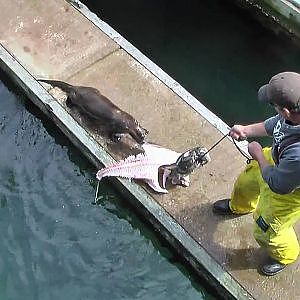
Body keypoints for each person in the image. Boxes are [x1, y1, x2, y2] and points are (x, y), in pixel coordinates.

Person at [213, 71, 300, 276]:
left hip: (289, 187)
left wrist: (258, 154)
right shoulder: (291, 116)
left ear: (286, 110)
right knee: (247, 181)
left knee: (266, 229)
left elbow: (278, 184)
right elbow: (275, 125)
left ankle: (285, 255)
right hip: (281, 160)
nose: (275, 111)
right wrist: (246, 130)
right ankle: (240, 206)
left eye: (275, 106)